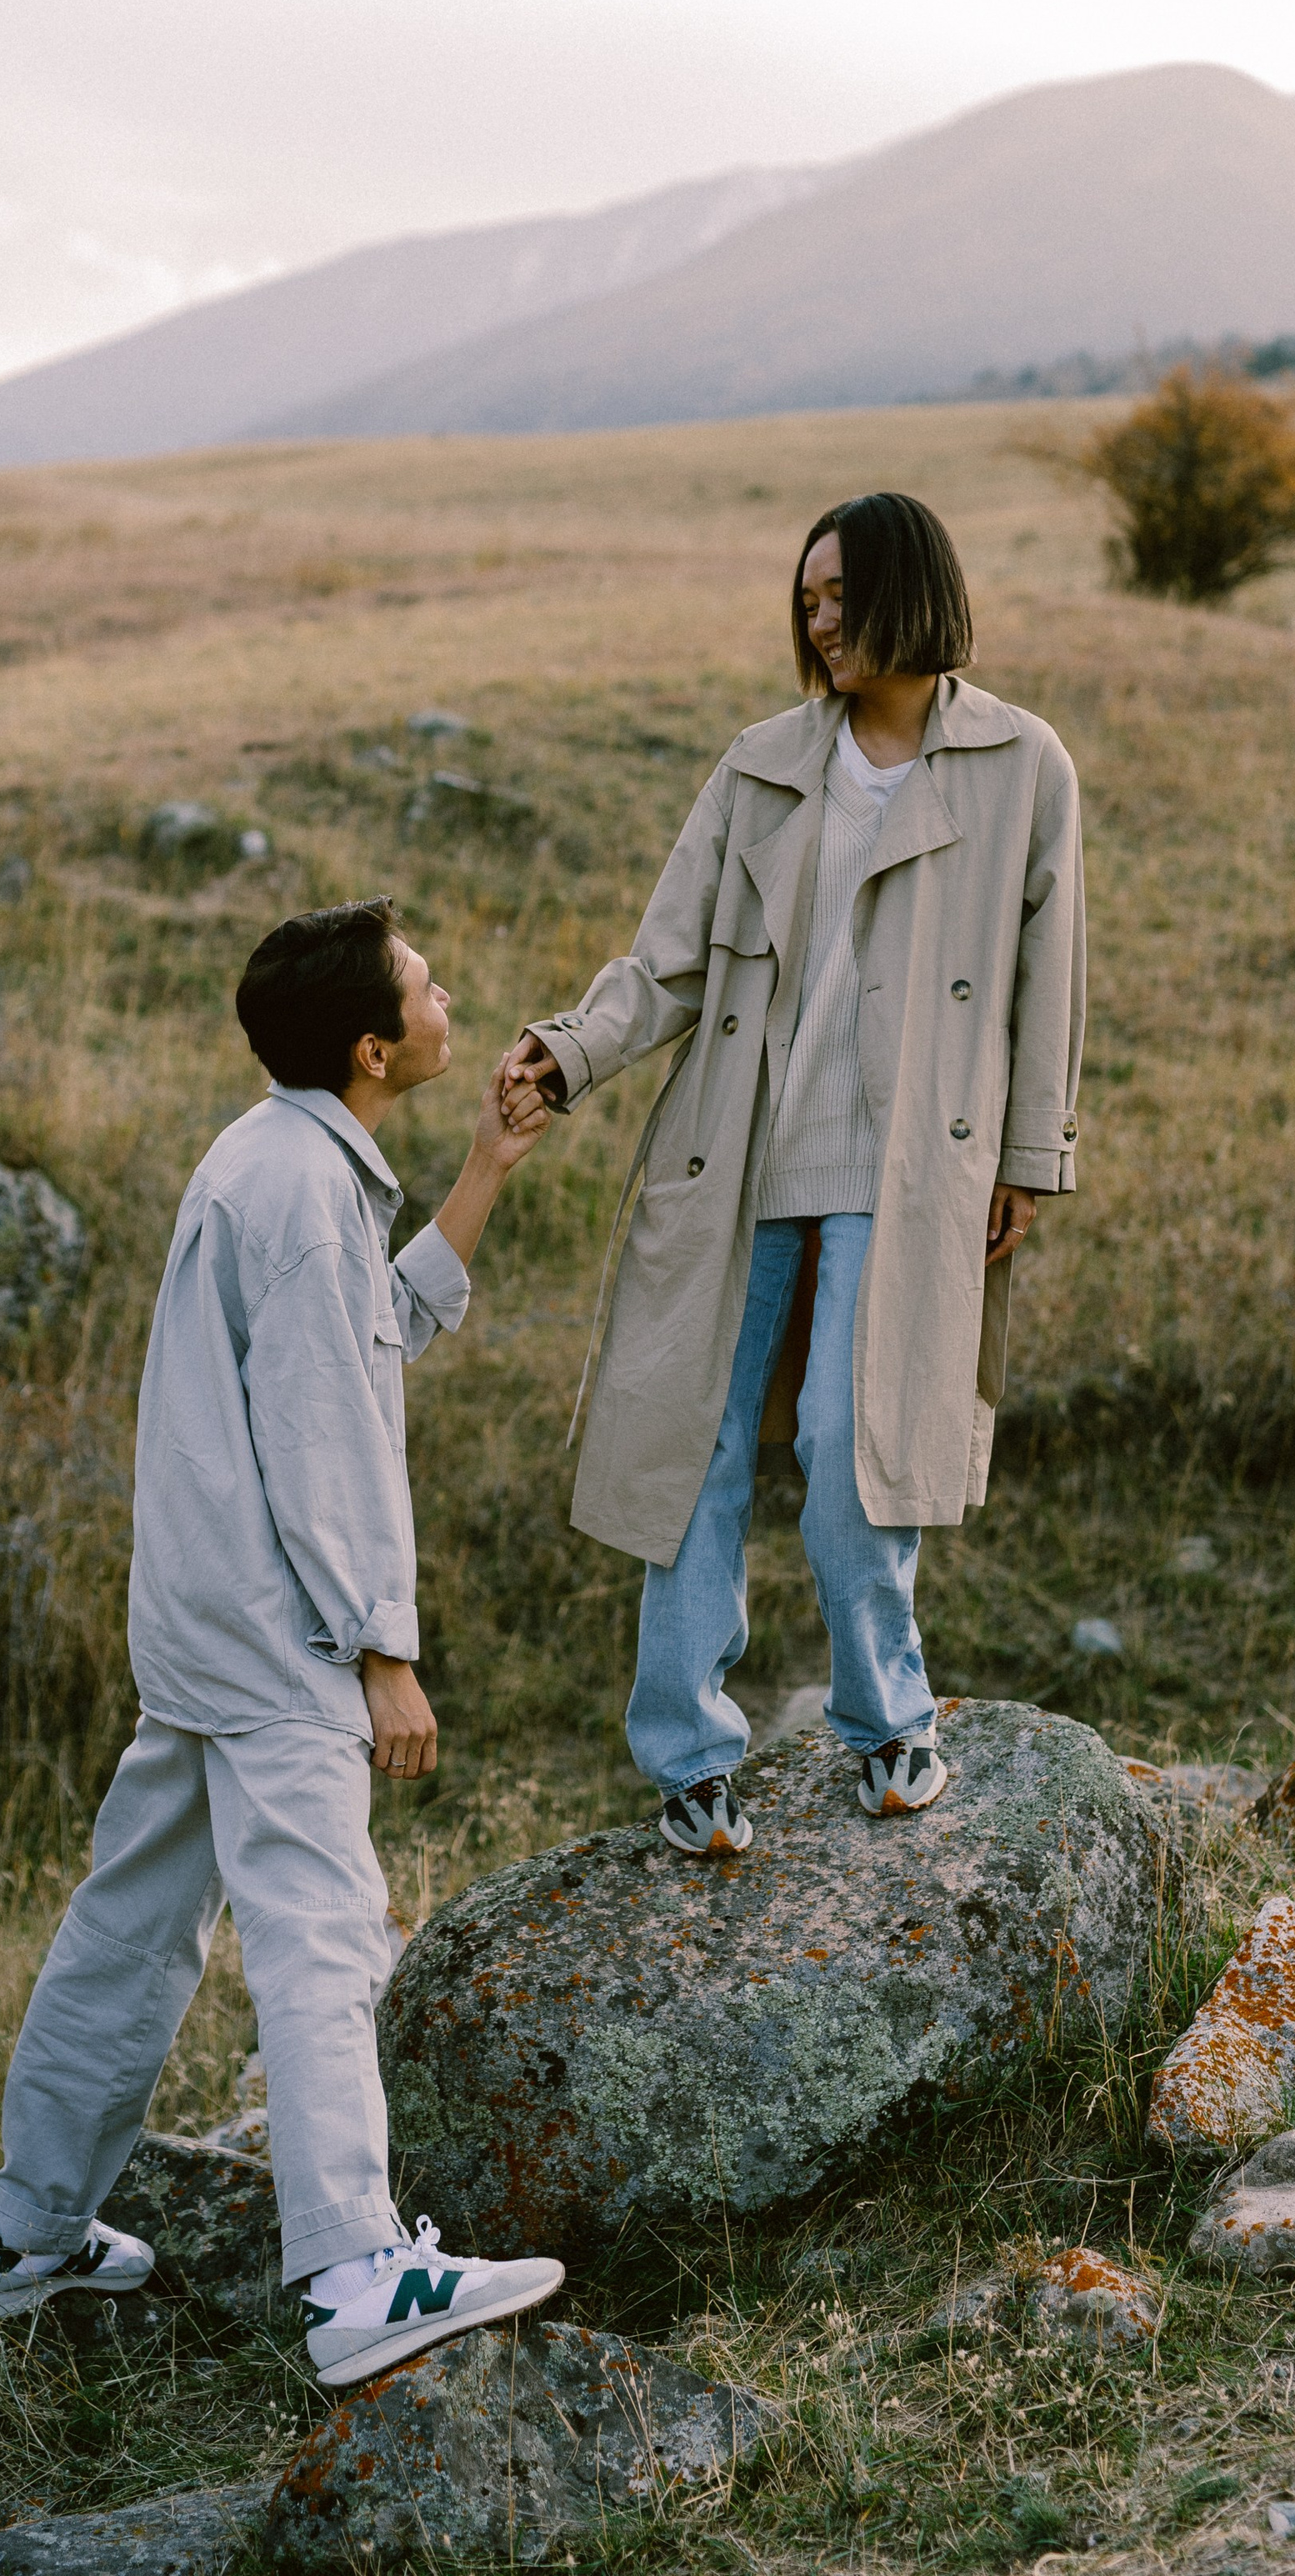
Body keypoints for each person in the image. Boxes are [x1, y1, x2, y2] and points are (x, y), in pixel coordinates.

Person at [0, 898, 565, 2388]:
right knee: (320, 1929)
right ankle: (357, 2272)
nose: (448, 999)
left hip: (204, 1615)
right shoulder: (300, 1195)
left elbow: (375, 1337)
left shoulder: (286, 1156)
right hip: (279, 1623)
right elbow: (325, 1439)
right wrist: (382, 1649)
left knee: (133, 1922)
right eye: (428, 987)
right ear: (375, 1048)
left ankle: (28, 2231)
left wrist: (487, 1166)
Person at [501, 492, 1084, 1858]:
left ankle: (890, 1724)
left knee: (846, 1449)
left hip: (911, 1166)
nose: (818, 621)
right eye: (806, 599)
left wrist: (1029, 1162)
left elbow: (1044, 978)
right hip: (740, 1147)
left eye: (841, 596)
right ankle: (692, 1760)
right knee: (692, 1447)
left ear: (909, 594)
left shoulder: (1020, 763)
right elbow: (668, 961)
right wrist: (570, 1052)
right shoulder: (761, 763)